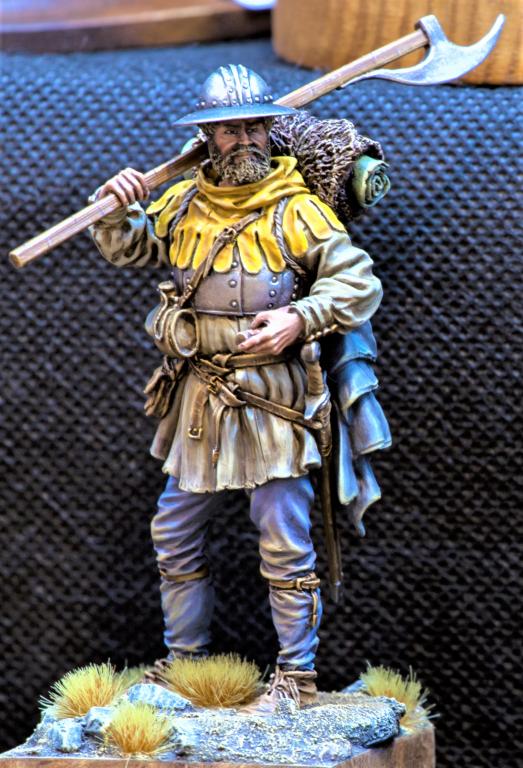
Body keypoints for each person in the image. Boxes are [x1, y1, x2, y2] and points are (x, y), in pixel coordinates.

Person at [89, 64, 388, 713]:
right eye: (230, 129)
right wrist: (118, 204)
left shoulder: (297, 210)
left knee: (283, 540)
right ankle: (184, 665)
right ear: (206, 138)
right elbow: (129, 246)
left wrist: (299, 317)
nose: (245, 139)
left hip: (272, 399)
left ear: (271, 130)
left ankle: (296, 678)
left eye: (255, 126)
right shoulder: (182, 204)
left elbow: (357, 281)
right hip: (200, 397)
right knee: (174, 531)